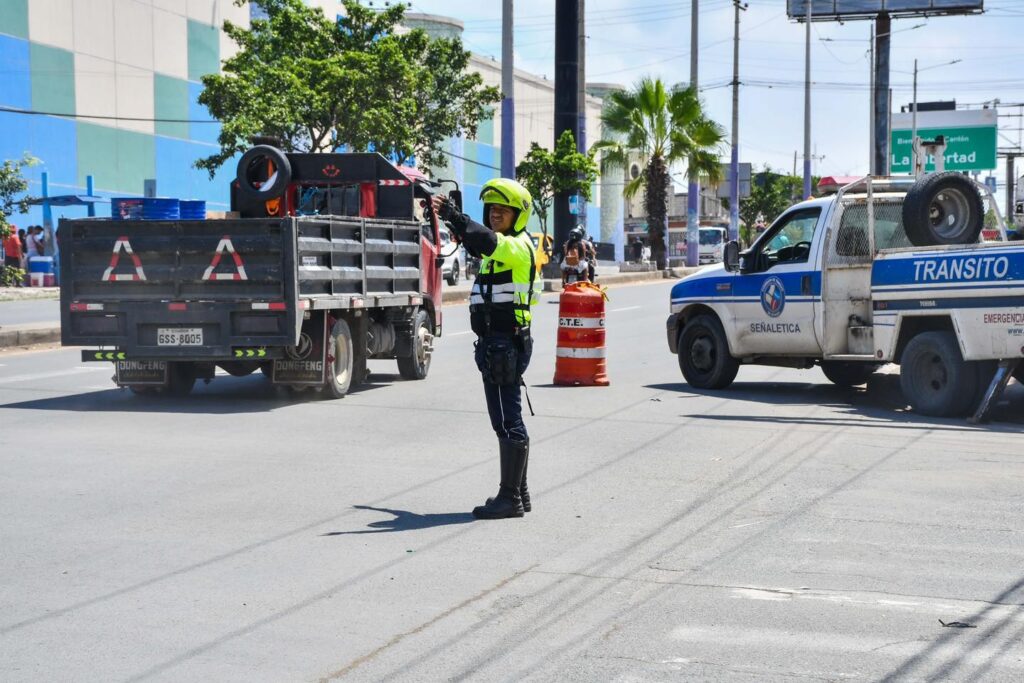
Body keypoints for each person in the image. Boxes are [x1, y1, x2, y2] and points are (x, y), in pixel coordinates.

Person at [431, 178, 538, 520]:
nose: (495, 215)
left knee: (507, 421)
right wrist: (448, 217)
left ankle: (510, 498)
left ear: (519, 215)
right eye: (492, 209)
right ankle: (519, 492)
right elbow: (478, 242)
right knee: (506, 418)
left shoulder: (516, 246)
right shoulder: (500, 248)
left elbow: (488, 242)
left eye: (503, 210)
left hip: (506, 343)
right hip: (497, 343)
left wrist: (455, 215)